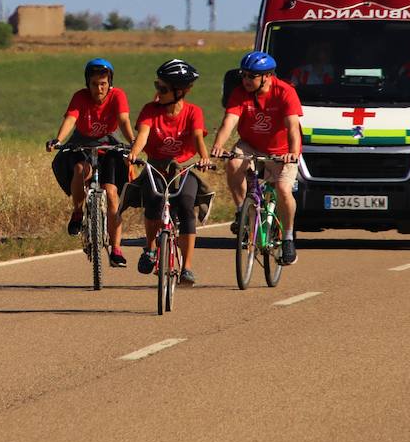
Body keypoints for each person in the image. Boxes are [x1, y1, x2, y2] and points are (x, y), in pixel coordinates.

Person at [211, 51, 303, 266]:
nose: (246, 81)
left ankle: (288, 238)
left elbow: (293, 128)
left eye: (251, 76)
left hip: (282, 150)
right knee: (233, 163)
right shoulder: (240, 92)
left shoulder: (285, 92)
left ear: (267, 76)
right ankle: (242, 213)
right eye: (244, 75)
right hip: (251, 145)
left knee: (282, 189)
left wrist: (292, 152)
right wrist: (217, 146)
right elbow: (229, 122)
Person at [45, 57, 135, 268]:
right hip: (81, 143)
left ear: (109, 83)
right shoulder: (80, 97)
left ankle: (116, 249)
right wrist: (58, 139)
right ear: (88, 84)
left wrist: (133, 142)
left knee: (112, 194)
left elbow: (123, 120)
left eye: (103, 83)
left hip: (109, 145)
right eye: (94, 84)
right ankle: (78, 211)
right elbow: (71, 119)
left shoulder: (117, 95)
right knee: (79, 169)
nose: (99, 89)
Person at [127, 59, 210, 284]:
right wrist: (134, 153)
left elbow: (197, 137)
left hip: (183, 168)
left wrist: (203, 157)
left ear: (180, 91)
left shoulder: (193, 112)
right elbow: (143, 135)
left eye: (163, 88)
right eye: (157, 86)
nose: (158, 92)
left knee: (185, 204)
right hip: (156, 166)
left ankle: (187, 267)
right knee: (153, 200)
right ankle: (151, 248)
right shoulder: (149, 110)